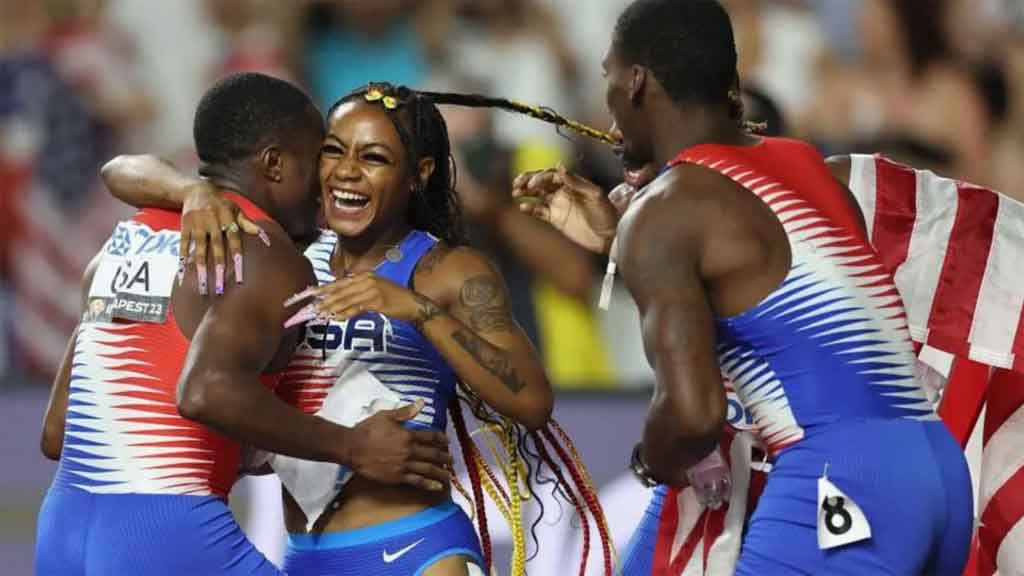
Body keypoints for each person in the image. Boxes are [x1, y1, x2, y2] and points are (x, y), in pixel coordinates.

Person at [512, 1, 973, 574]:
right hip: (938, 471)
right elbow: (764, 299)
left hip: (842, 478)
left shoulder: (666, 209)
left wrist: (648, 462)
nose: (606, 111)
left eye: (608, 75)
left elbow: (694, 415)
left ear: (636, 82)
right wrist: (621, 242)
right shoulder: (807, 167)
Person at [101, 82, 613, 576]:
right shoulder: (286, 251)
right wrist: (192, 191)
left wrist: (416, 310)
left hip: (415, 549)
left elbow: (531, 402)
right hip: (304, 555)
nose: (346, 172)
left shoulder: (448, 271)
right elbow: (122, 171)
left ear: (418, 173)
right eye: (333, 150)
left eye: (373, 158)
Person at [36, 72, 451, 576]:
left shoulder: (118, 246)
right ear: (275, 164)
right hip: (168, 535)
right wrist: (354, 446)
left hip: (64, 531)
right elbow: (205, 392)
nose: (325, 183)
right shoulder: (262, 251)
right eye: (317, 158)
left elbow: (56, 432)